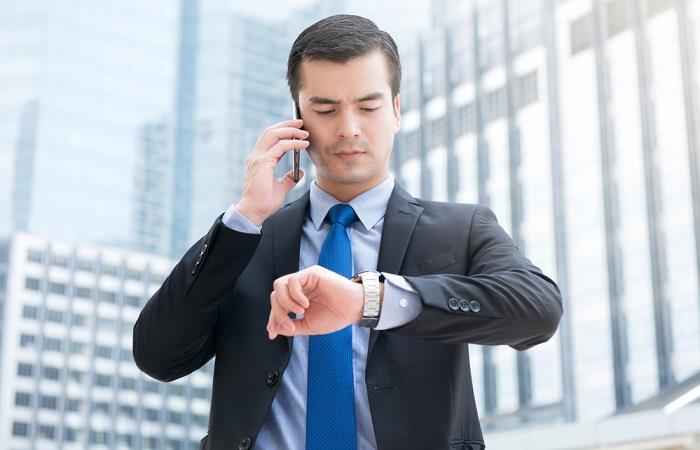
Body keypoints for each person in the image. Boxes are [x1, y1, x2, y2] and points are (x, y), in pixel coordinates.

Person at [133, 14, 562, 450]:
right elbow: (158, 357)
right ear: (298, 121)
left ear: (396, 111)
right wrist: (245, 215)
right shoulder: (249, 239)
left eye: (369, 106)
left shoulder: (460, 229)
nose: (348, 128)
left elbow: (539, 311)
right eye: (325, 109)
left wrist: (369, 300)